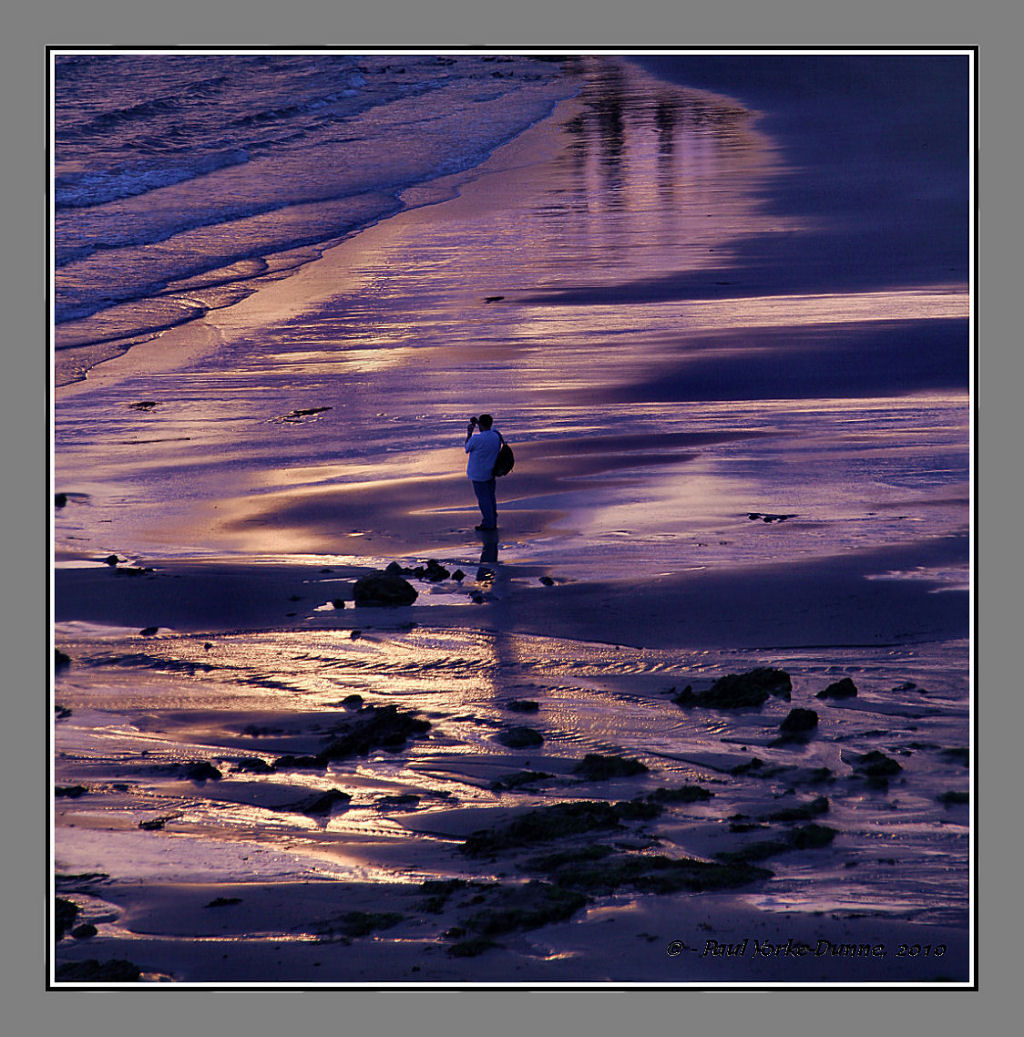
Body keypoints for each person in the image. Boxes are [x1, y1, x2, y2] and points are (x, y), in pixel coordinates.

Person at [464, 413, 502, 531]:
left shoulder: (477, 438)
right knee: (490, 497)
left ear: (481, 424)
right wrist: (478, 423)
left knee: (483, 499)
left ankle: (488, 523)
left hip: (478, 473)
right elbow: (490, 430)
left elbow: (467, 447)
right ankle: (492, 520)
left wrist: (469, 433)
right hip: (491, 471)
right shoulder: (496, 436)